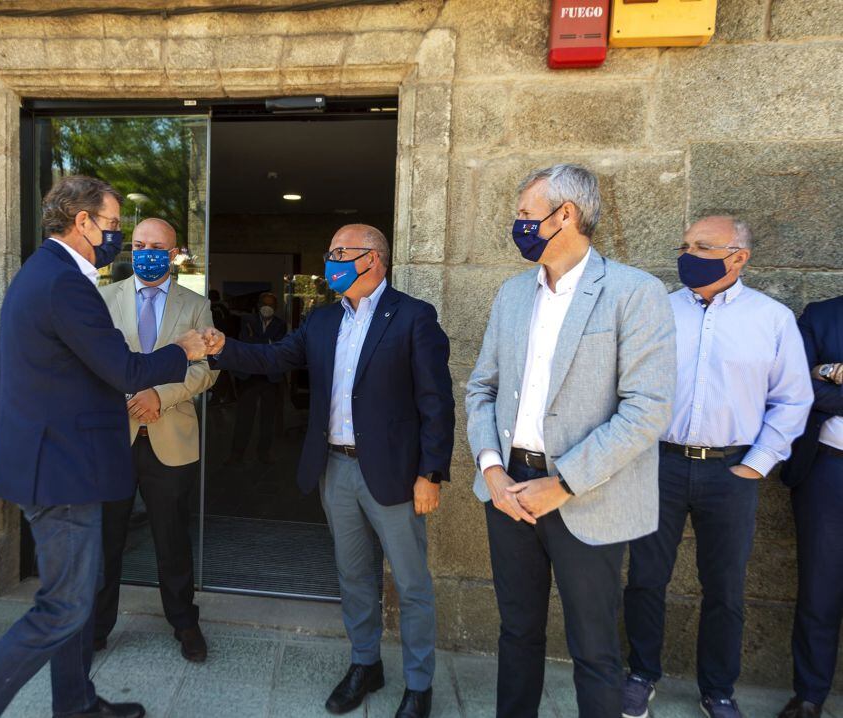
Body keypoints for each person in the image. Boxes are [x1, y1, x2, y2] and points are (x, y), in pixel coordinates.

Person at [0, 176, 207, 718]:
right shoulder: (64, 283)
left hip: (59, 462)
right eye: (113, 225)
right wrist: (184, 347)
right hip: (60, 470)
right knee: (61, 609)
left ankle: (77, 703)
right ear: (82, 222)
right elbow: (124, 369)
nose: (118, 237)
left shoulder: (46, 272)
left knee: (72, 602)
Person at [203, 224, 454, 718]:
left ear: (373, 259)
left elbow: (437, 403)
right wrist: (220, 346)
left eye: (341, 252)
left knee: (410, 584)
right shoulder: (321, 320)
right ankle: (366, 663)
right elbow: (273, 357)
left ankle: (419, 684)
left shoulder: (412, 317)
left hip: (397, 477)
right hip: (335, 470)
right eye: (331, 251)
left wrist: (431, 473)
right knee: (353, 575)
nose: (332, 260)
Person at [465, 163, 677, 718]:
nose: (518, 226)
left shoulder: (634, 292)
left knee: (595, 648)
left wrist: (563, 485)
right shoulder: (513, 294)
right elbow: (480, 387)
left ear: (567, 216)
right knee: (517, 633)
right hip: (508, 489)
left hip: (589, 494)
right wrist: (491, 469)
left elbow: (647, 408)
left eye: (526, 215)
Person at [621, 216, 813, 718]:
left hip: (731, 473)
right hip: (659, 465)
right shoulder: (659, 310)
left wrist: (757, 464)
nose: (688, 254)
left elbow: (793, 400)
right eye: (684, 244)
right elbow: (629, 383)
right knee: (644, 578)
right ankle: (641, 674)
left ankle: (718, 690)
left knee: (724, 589)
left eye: (702, 246)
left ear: (738, 257)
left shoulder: (771, 319)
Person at [93, 218, 217, 660]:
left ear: (173, 252)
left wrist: (158, 395)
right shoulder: (102, 298)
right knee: (106, 540)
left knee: (172, 539)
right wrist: (130, 393)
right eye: (139, 244)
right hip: (113, 438)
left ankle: (184, 623)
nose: (146, 251)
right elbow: (92, 362)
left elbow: (205, 371)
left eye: (156, 246)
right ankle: (97, 628)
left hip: (171, 436)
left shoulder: (196, 305)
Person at [778, 294, 843, 718]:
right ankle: (809, 696)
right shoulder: (822, 316)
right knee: (820, 588)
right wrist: (825, 377)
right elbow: (797, 385)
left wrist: (833, 377)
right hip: (828, 473)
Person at [227, 291, 288, 465]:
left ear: (275, 308)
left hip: (270, 377)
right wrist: (266, 345)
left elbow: (279, 348)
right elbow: (245, 342)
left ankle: (264, 453)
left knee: (268, 418)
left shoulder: (280, 324)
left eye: (271, 305)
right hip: (250, 376)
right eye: (264, 304)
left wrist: (257, 344)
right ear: (258, 305)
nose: (267, 308)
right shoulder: (247, 320)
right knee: (244, 417)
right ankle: (236, 454)